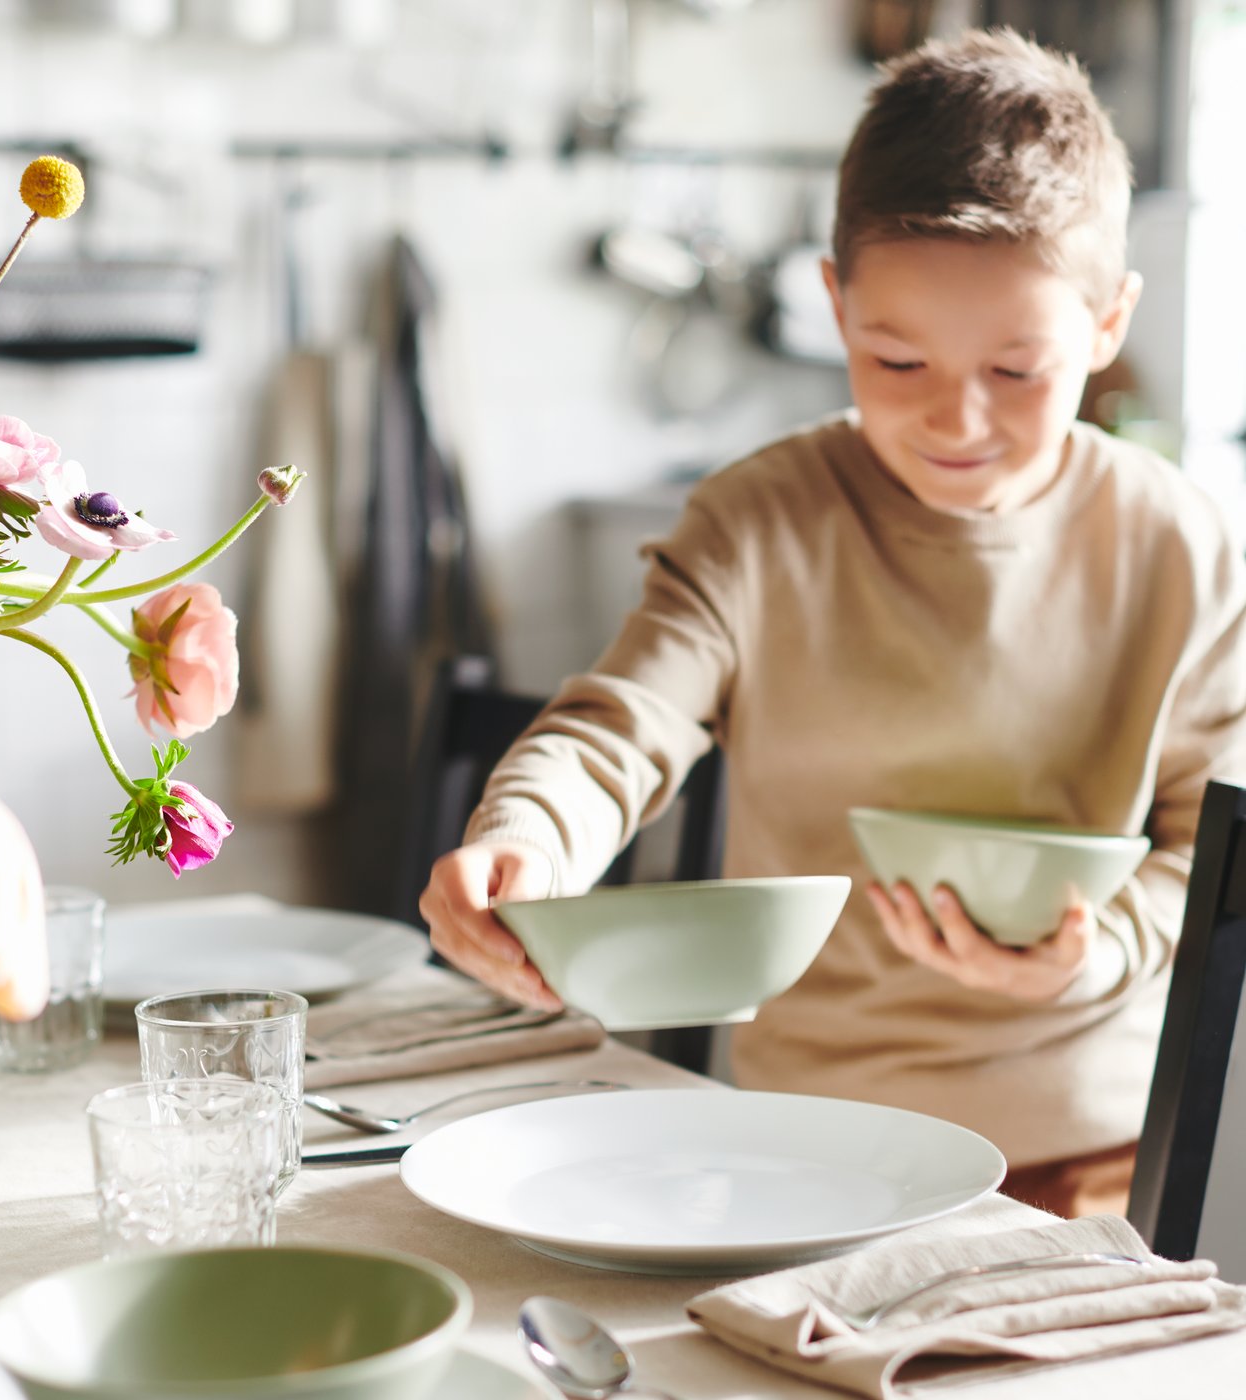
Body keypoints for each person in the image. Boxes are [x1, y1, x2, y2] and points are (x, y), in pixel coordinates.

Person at [418, 28, 1246, 1219]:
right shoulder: (758, 518)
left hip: (1095, 1155)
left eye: (1016, 371)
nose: (956, 419)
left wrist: (1097, 950)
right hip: (803, 1147)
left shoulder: (1180, 541)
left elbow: (1202, 852)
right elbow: (619, 724)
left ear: (1107, 323)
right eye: (895, 359)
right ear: (832, 304)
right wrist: (527, 837)